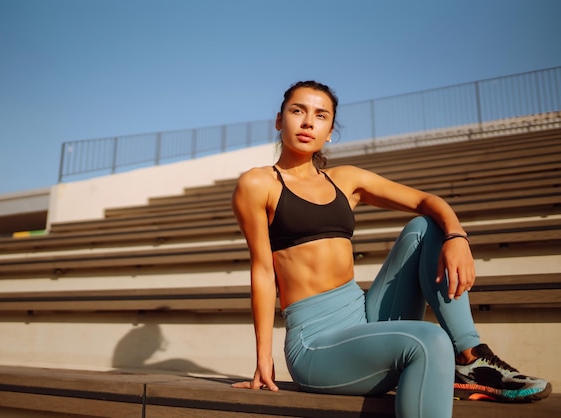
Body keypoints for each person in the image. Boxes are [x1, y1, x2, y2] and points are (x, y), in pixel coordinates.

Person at [230, 80, 551, 418]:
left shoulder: (345, 180)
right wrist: (263, 359)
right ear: (279, 120)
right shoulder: (258, 184)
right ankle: (452, 359)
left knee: (427, 226)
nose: (308, 122)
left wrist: (457, 237)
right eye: (298, 111)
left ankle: (471, 356)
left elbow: (427, 201)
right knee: (429, 340)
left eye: (321, 116)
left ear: (330, 131)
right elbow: (263, 271)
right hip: (316, 345)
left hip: (365, 318)